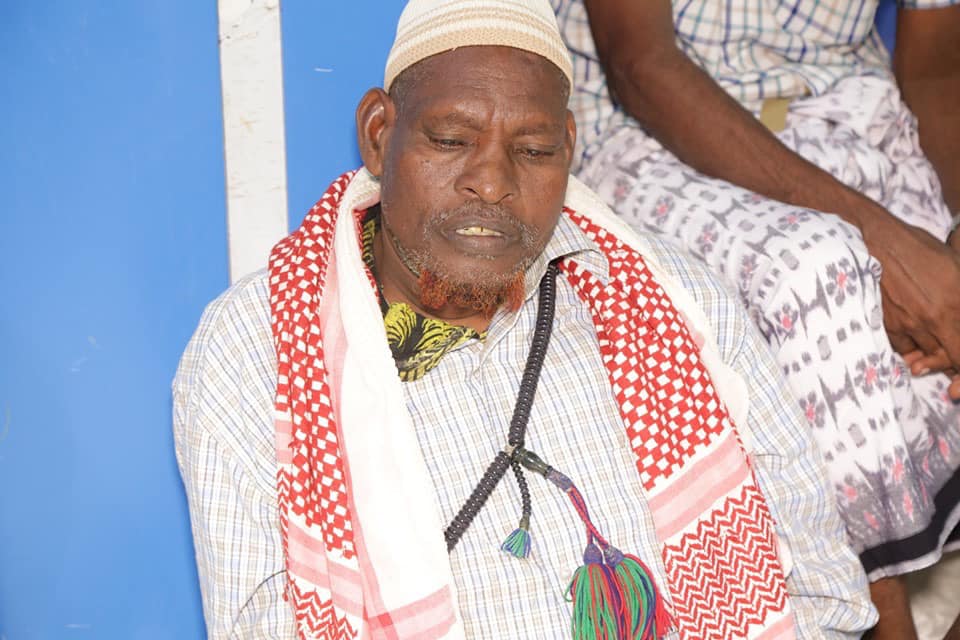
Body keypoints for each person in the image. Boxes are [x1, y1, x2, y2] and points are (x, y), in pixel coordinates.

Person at [173, 1, 877, 638]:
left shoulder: (676, 303)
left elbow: (825, 599)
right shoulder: (258, 352)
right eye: (451, 140)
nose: (492, 181)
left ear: (568, 146)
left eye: (534, 151)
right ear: (379, 134)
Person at [550, 0, 960, 637]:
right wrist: (887, 249)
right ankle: (882, 617)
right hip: (649, 130)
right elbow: (641, 65)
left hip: (847, 115)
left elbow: (936, 68)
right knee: (819, 274)